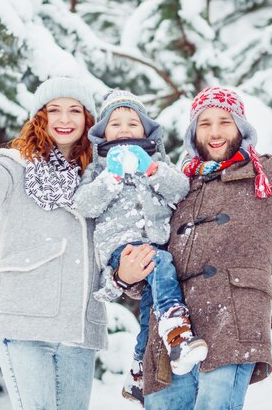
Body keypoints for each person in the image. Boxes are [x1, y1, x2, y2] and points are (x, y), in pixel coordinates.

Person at [115, 86, 272, 410]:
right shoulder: (177, 184)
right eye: (204, 124)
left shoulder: (270, 174)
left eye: (224, 121)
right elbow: (154, 268)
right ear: (194, 133)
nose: (215, 132)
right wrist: (126, 277)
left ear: (240, 126)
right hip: (170, 339)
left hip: (232, 323)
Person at [0, 74, 110, 410]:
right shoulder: (14, 165)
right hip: (25, 321)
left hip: (79, 330)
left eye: (75, 110)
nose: (64, 119)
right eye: (54, 110)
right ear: (40, 117)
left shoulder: (100, 175)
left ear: (88, 119)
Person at [74, 90, 208, 404]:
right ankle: (177, 334)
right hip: (122, 248)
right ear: (103, 133)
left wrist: (151, 170)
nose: (124, 129)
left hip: (157, 243)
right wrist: (113, 177)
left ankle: (137, 374)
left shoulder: (158, 162)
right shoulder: (98, 168)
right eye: (115, 123)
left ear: (146, 130)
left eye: (132, 123)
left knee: (150, 312)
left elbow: (180, 189)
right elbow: (85, 205)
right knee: (160, 264)